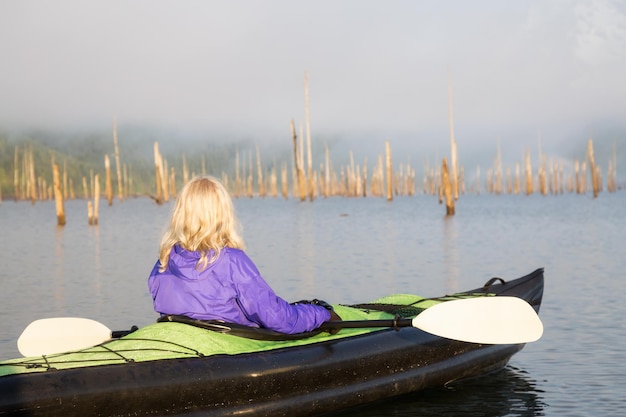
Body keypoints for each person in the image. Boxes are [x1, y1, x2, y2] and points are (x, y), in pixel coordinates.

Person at [148, 176, 339, 334]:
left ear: (181, 214)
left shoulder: (164, 261)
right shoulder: (232, 261)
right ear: (223, 215)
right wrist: (321, 314)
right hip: (229, 349)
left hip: (182, 343)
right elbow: (279, 319)